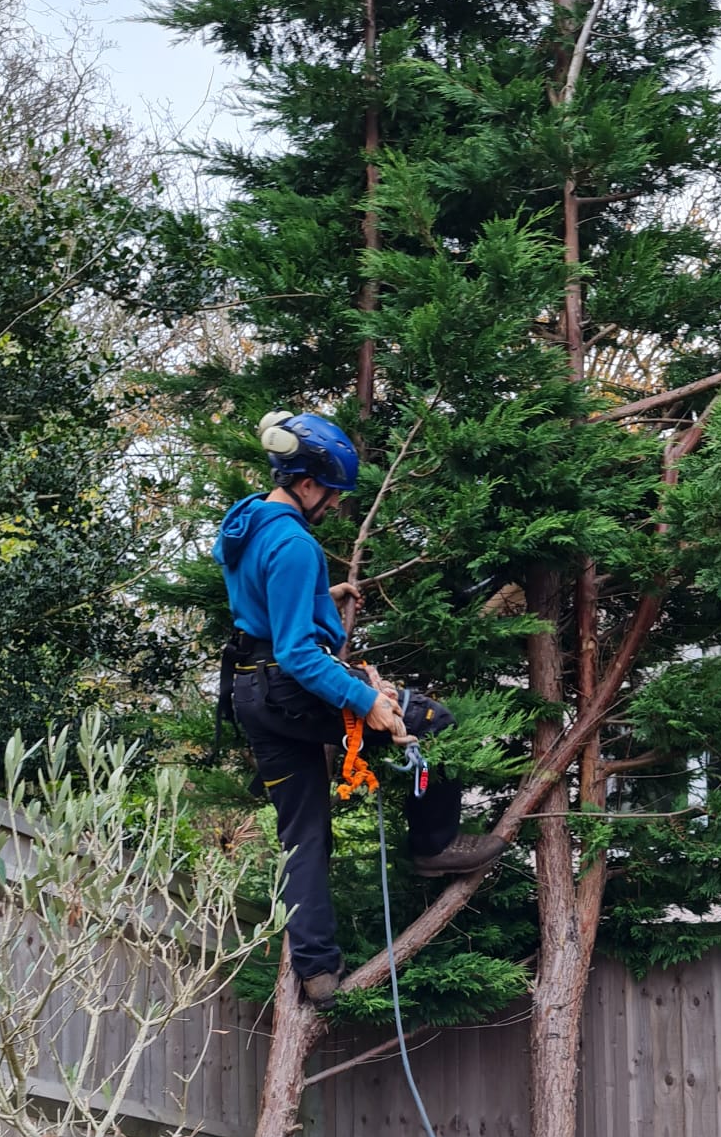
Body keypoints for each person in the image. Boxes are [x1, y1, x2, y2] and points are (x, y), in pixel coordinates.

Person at [215, 410, 507, 1008]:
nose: (334, 507)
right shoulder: (295, 542)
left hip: (249, 690)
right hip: (289, 689)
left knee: (303, 833)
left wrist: (324, 596)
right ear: (308, 483)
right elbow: (298, 653)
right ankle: (434, 845)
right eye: (333, 495)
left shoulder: (247, 523)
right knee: (435, 721)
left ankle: (318, 973)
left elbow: (264, 604)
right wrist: (366, 699)